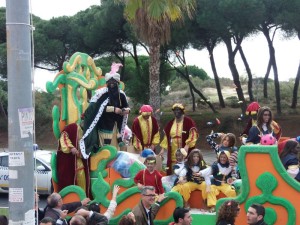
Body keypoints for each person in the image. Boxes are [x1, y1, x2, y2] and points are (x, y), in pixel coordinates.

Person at [80, 62, 130, 159]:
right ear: (107, 83)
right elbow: (97, 108)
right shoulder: (101, 94)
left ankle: (113, 168)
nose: (112, 84)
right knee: (105, 150)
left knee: (115, 150)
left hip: (116, 127)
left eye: (114, 82)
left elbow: (127, 106)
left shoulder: (121, 94)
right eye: (110, 82)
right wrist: (113, 109)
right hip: (104, 127)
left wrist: (126, 110)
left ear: (117, 83)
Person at [160, 103, 199, 175]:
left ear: (182, 111)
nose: (176, 112)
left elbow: (193, 135)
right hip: (173, 150)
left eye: (178, 110)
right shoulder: (170, 123)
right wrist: (162, 149)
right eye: (174, 110)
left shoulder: (188, 122)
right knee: (172, 168)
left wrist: (187, 145)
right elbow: (166, 138)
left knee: (186, 168)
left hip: (184, 150)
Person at [57, 121, 90, 195]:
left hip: (79, 159)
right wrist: (71, 147)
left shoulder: (87, 132)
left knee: (82, 178)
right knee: (68, 181)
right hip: (68, 161)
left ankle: (82, 197)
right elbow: (64, 137)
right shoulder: (72, 127)